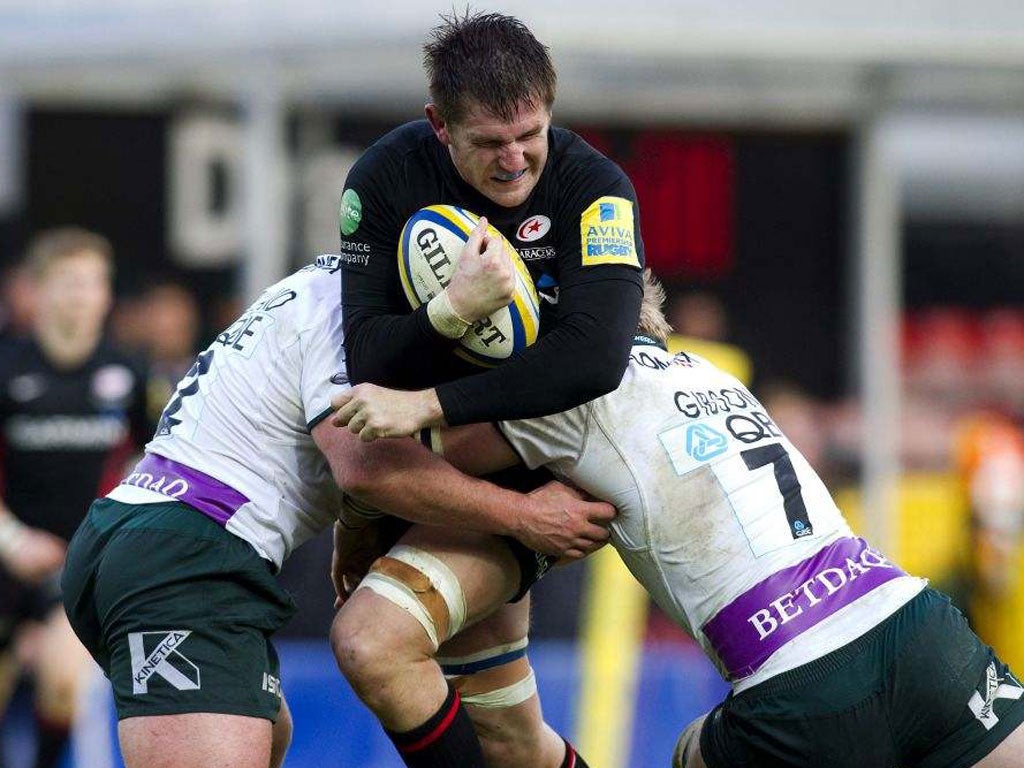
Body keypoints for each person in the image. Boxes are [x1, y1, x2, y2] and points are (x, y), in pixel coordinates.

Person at [343, 270, 1024, 768]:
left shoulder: (572, 395)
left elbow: (400, 463)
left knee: (690, 754)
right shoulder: (708, 372)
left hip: (796, 682)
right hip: (915, 626)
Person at [59, 253, 613, 768]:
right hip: (184, 559)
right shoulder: (354, 307)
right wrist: (525, 516)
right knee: (373, 651)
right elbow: (368, 467)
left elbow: (342, 452)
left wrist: (355, 524)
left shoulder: (337, 284)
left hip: (145, 531)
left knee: (270, 734)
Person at [335, 11, 643, 765]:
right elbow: (369, 355)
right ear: (439, 125)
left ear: (550, 107)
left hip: (549, 481)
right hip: (446, 469)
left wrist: (427, 411)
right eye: (489, 143)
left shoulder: (594, 187)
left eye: (529, 134)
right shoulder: (384, 177)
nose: (514, 161)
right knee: (510, 740)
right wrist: (453, 310)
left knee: (373, 641)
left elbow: (597, 360)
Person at [0, 228, 152, 768]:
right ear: (34, 292)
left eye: (92, 283)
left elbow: (155, 468)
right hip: (9, 558)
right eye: (67, 283)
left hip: (80, 568)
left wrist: (114, 543)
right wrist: (13, 540)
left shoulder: (128, 375)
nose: (81, 297)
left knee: (64, 681)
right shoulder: (7, 369)